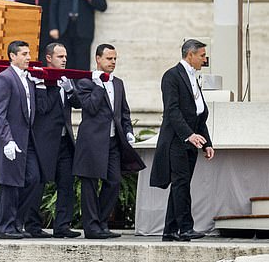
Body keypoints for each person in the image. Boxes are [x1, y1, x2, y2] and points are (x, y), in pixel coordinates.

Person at [73, 43, 144, 239]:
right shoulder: (86, 82)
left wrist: (128, 131)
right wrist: (98, 85)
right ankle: (91, 227)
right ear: (98, 59)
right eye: (108, 58)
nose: (113, 62)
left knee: (113, 181)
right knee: (90, 185)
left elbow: (124, 111)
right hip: (92, 142)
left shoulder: (118, 82)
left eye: (115, 59)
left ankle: (101, 222)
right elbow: (90, 107)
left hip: (113, 141)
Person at [150, 39, 214, 242]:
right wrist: (189, 135)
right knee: (181, 184)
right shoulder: (172, 76)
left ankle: (170, 230)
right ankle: (185, 228)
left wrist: (206, 143)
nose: (205, 59)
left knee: (181, 184)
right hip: (176, 140)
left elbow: (198, 113)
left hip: (192, 140)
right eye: (202, 55)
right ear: (190, 55)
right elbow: (172, 111)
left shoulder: (194, 77)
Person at [25, 43, 81, 238]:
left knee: (66, 183)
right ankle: (32, 226)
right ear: (49, 58)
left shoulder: (66, 79)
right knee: (38, 183)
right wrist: (50, 88)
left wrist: (69, 89)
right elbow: (42, 108)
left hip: (65, 141)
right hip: (45, 142)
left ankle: (62, 226)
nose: (64, 59)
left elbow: (78, 103)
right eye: (60, 56)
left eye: (65, 56)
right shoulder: (41, 79)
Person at [0, 40, 40, 239]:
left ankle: (17, 222)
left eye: (28, 53)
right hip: (10, 140)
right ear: (12, 56)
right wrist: (7, 139)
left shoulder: (28, 79)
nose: (28, 57)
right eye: (24, 54)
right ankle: (6, 227)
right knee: (9, 184)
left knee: (33, 179)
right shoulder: (4, 79)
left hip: (27, 139)